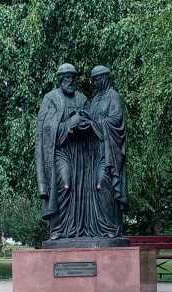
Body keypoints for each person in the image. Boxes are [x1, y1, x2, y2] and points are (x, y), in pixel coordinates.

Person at [35, 63, 88, 239]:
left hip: (80, 153)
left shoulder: (82, 99)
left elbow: (92, 121)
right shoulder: (51, 98)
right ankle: (57, 228)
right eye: (67, 78)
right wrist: (68, 125)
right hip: (60, 151)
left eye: (73, 78)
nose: (71, 81)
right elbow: (46, 129)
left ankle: (78, 229)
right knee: (64, 185)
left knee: (81, 189)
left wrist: (85, 124)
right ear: (60, 80)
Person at [83, 65, 128, 237]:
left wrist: (96, 123)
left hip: (108, 151)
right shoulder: (94, 100)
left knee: (102, 183)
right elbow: (92, 118)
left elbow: (116, 121)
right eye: (92, 80)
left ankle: (111, 228)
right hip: (93, 152)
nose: (94, 83)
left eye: (96, 79)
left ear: (104, 78)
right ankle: (96, 229)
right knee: (91, 187)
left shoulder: (113, 96)